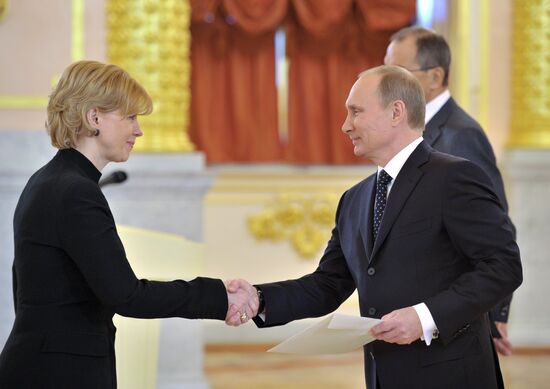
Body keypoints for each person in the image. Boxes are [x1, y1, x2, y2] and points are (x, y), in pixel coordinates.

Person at [229, 65, 522, 389]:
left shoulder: (455, 177)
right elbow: (328, 284)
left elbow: (504, 266)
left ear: (396, 112)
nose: (345, 126)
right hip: (383, 378)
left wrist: (425, 318)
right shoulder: (354, 200)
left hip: (452, 375)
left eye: (355, 112)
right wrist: (259, 299)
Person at [0, 60, 255, 389]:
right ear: (94, 118)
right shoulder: (75, 192)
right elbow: (126, 295)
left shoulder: (51, 180)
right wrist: (217, 296)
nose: (138, 130)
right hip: (58, 371)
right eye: (130, 117)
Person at [383, 26, 515, 356]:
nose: (387, 81)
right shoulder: (406, 128)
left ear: (434, 76)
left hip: (451, 316)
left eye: (397, 71)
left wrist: (496, 313)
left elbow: (494, 228)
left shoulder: (461, 135)